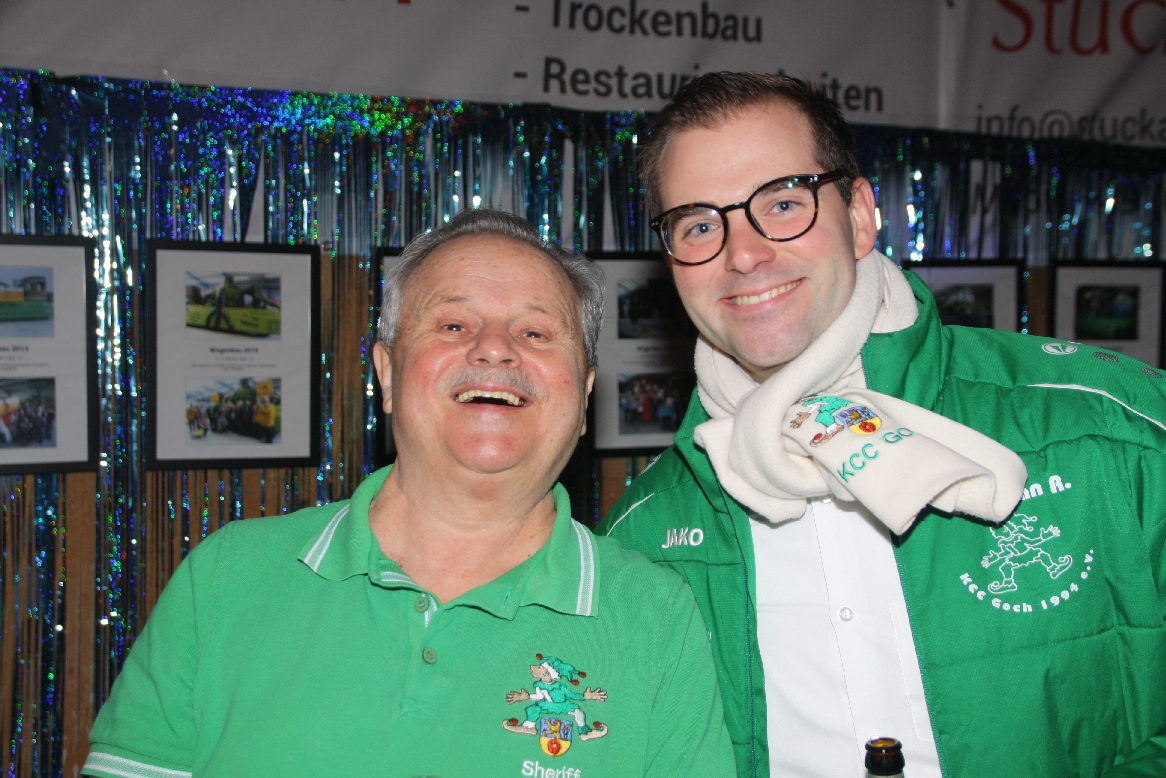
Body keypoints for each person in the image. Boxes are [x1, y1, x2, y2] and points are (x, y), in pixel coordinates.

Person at [598, 72, 1166, 778]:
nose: (743, 255)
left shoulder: (1114, 426)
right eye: (701, 225)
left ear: (861, 216)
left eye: (783, 202)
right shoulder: (642, 537)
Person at [83, 209, 734, 778]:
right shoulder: (227, 577)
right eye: (452, 325)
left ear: (585, 394)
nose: (495, 350)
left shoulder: (656, 616)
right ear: (387, 374)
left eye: (536, 333)